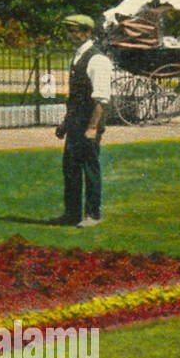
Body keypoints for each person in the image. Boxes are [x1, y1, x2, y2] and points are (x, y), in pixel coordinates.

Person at [55, 14, 113, 228]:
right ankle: (71, 214)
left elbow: (101, 99)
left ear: (88, 32)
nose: (72, 34)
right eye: (70, 30)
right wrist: (65, 124)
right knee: (70, 169)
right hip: (75, 124)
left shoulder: (97, 60)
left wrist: (92, 128)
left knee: (90, 168)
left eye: (77, 30)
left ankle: (93, 214)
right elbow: (76, 98)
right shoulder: (78, 56)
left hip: (89, 124)